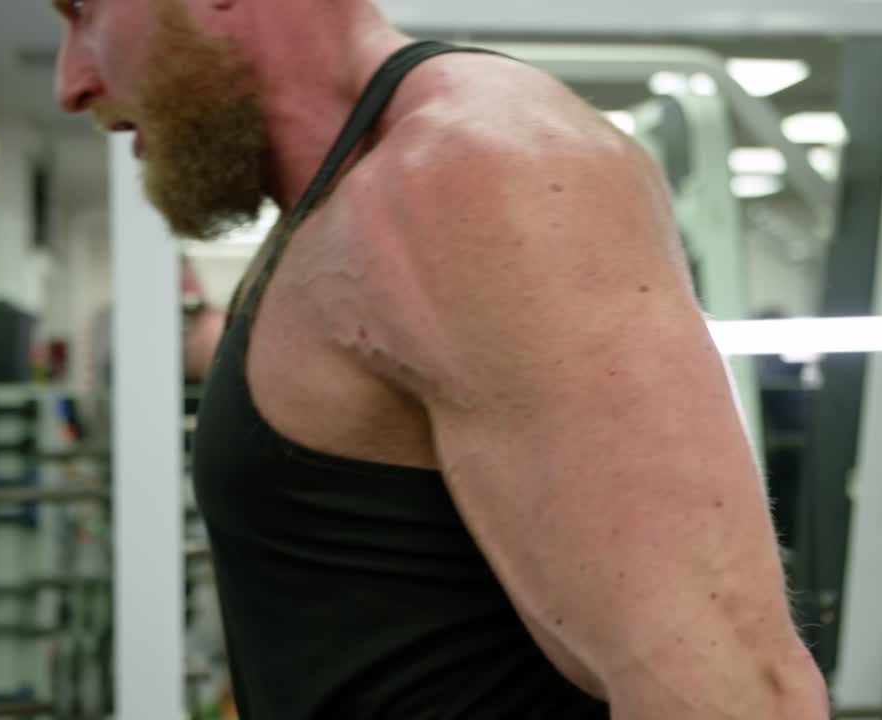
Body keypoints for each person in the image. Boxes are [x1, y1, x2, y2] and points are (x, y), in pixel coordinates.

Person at [51, 0, 831, 717]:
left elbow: (728, 688)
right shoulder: (335, 202)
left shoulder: (468, 172)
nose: (71, 83)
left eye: (83, 11)